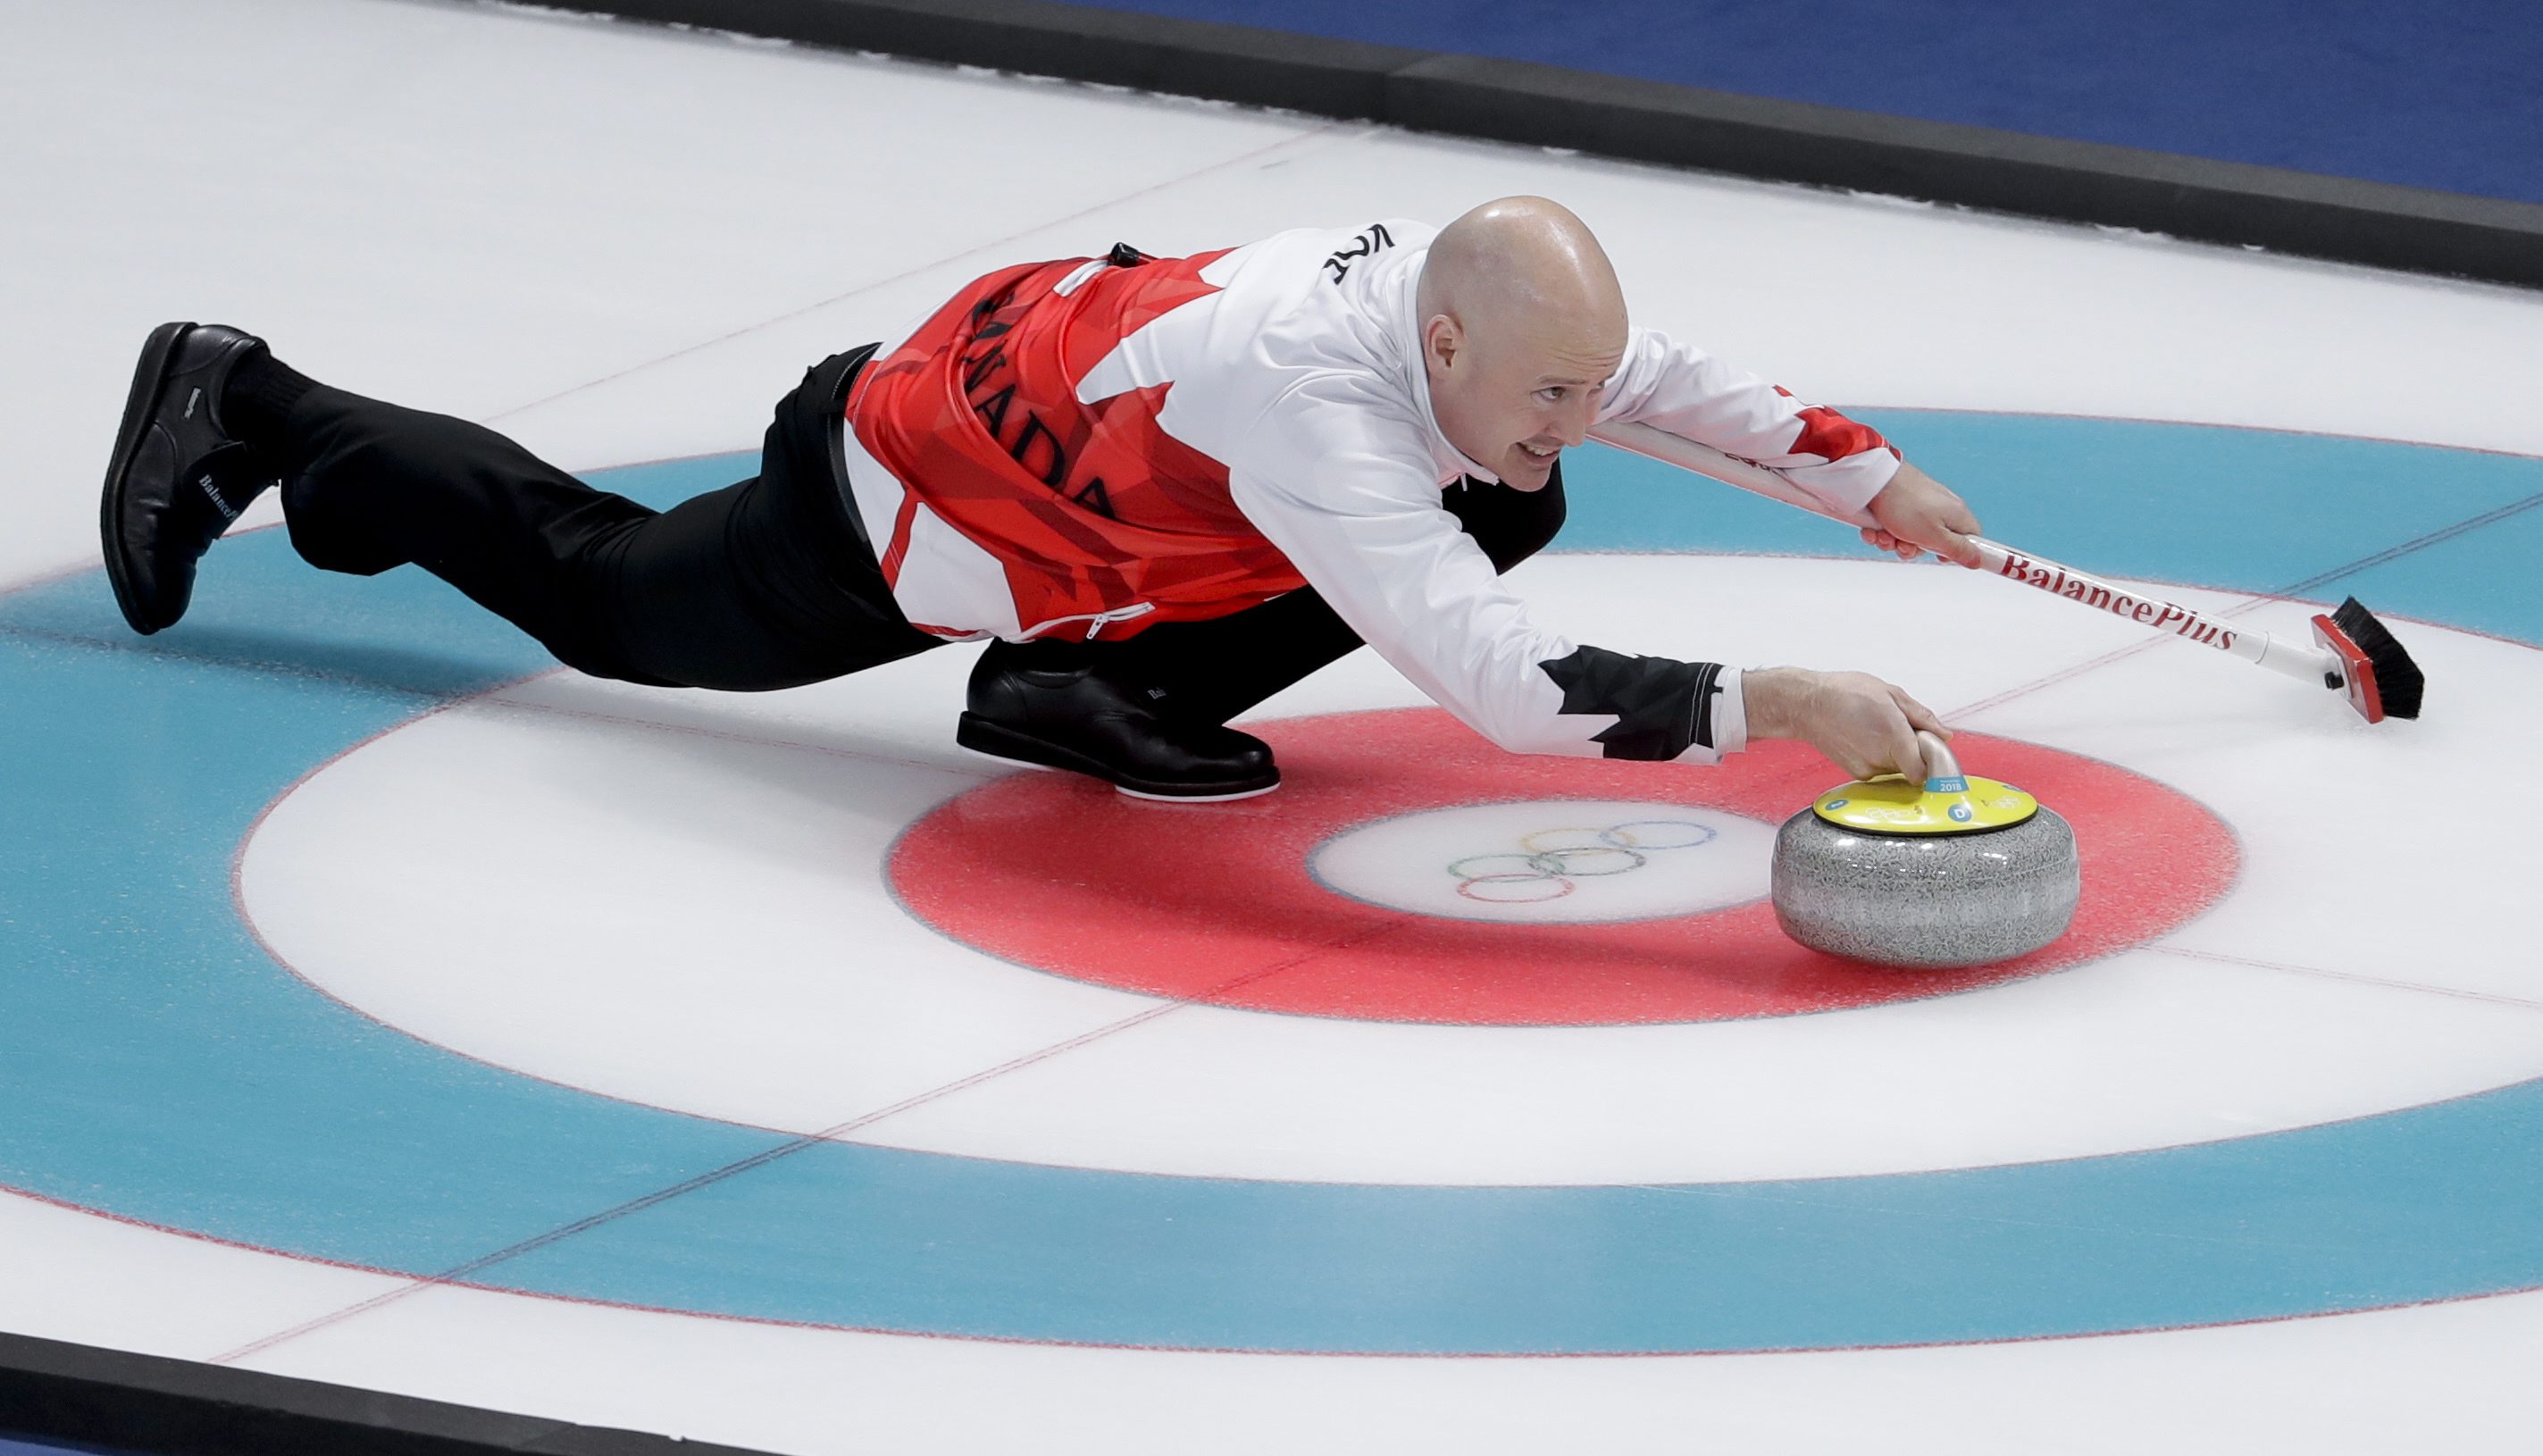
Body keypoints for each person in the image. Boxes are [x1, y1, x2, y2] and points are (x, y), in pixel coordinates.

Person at [99, 197, 1979, 801]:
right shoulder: (1325, 419)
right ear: (1447, 342)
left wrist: (1873, 480)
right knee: (606, 598)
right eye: (1543, 388)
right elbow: (1498, 686)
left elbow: (1653, 377)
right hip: (900, 491)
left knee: (1507, 503)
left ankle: (1099, 688)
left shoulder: (1468, 327)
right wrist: (1779, 700)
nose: (1583, 411)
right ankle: (250, 398)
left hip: (1079, 456)